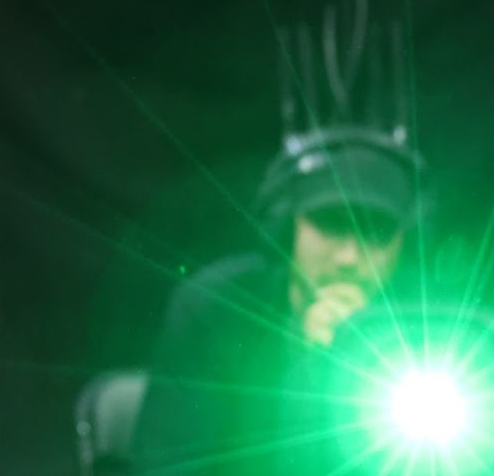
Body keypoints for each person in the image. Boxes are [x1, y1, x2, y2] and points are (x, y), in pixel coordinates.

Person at [130, 128, 424, 476]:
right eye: (330, 222)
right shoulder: (216, 306)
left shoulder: (431, 331)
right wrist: (307, 362)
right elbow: (166, 463)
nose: (348, 256)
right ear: (286, 224)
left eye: (375, 230)